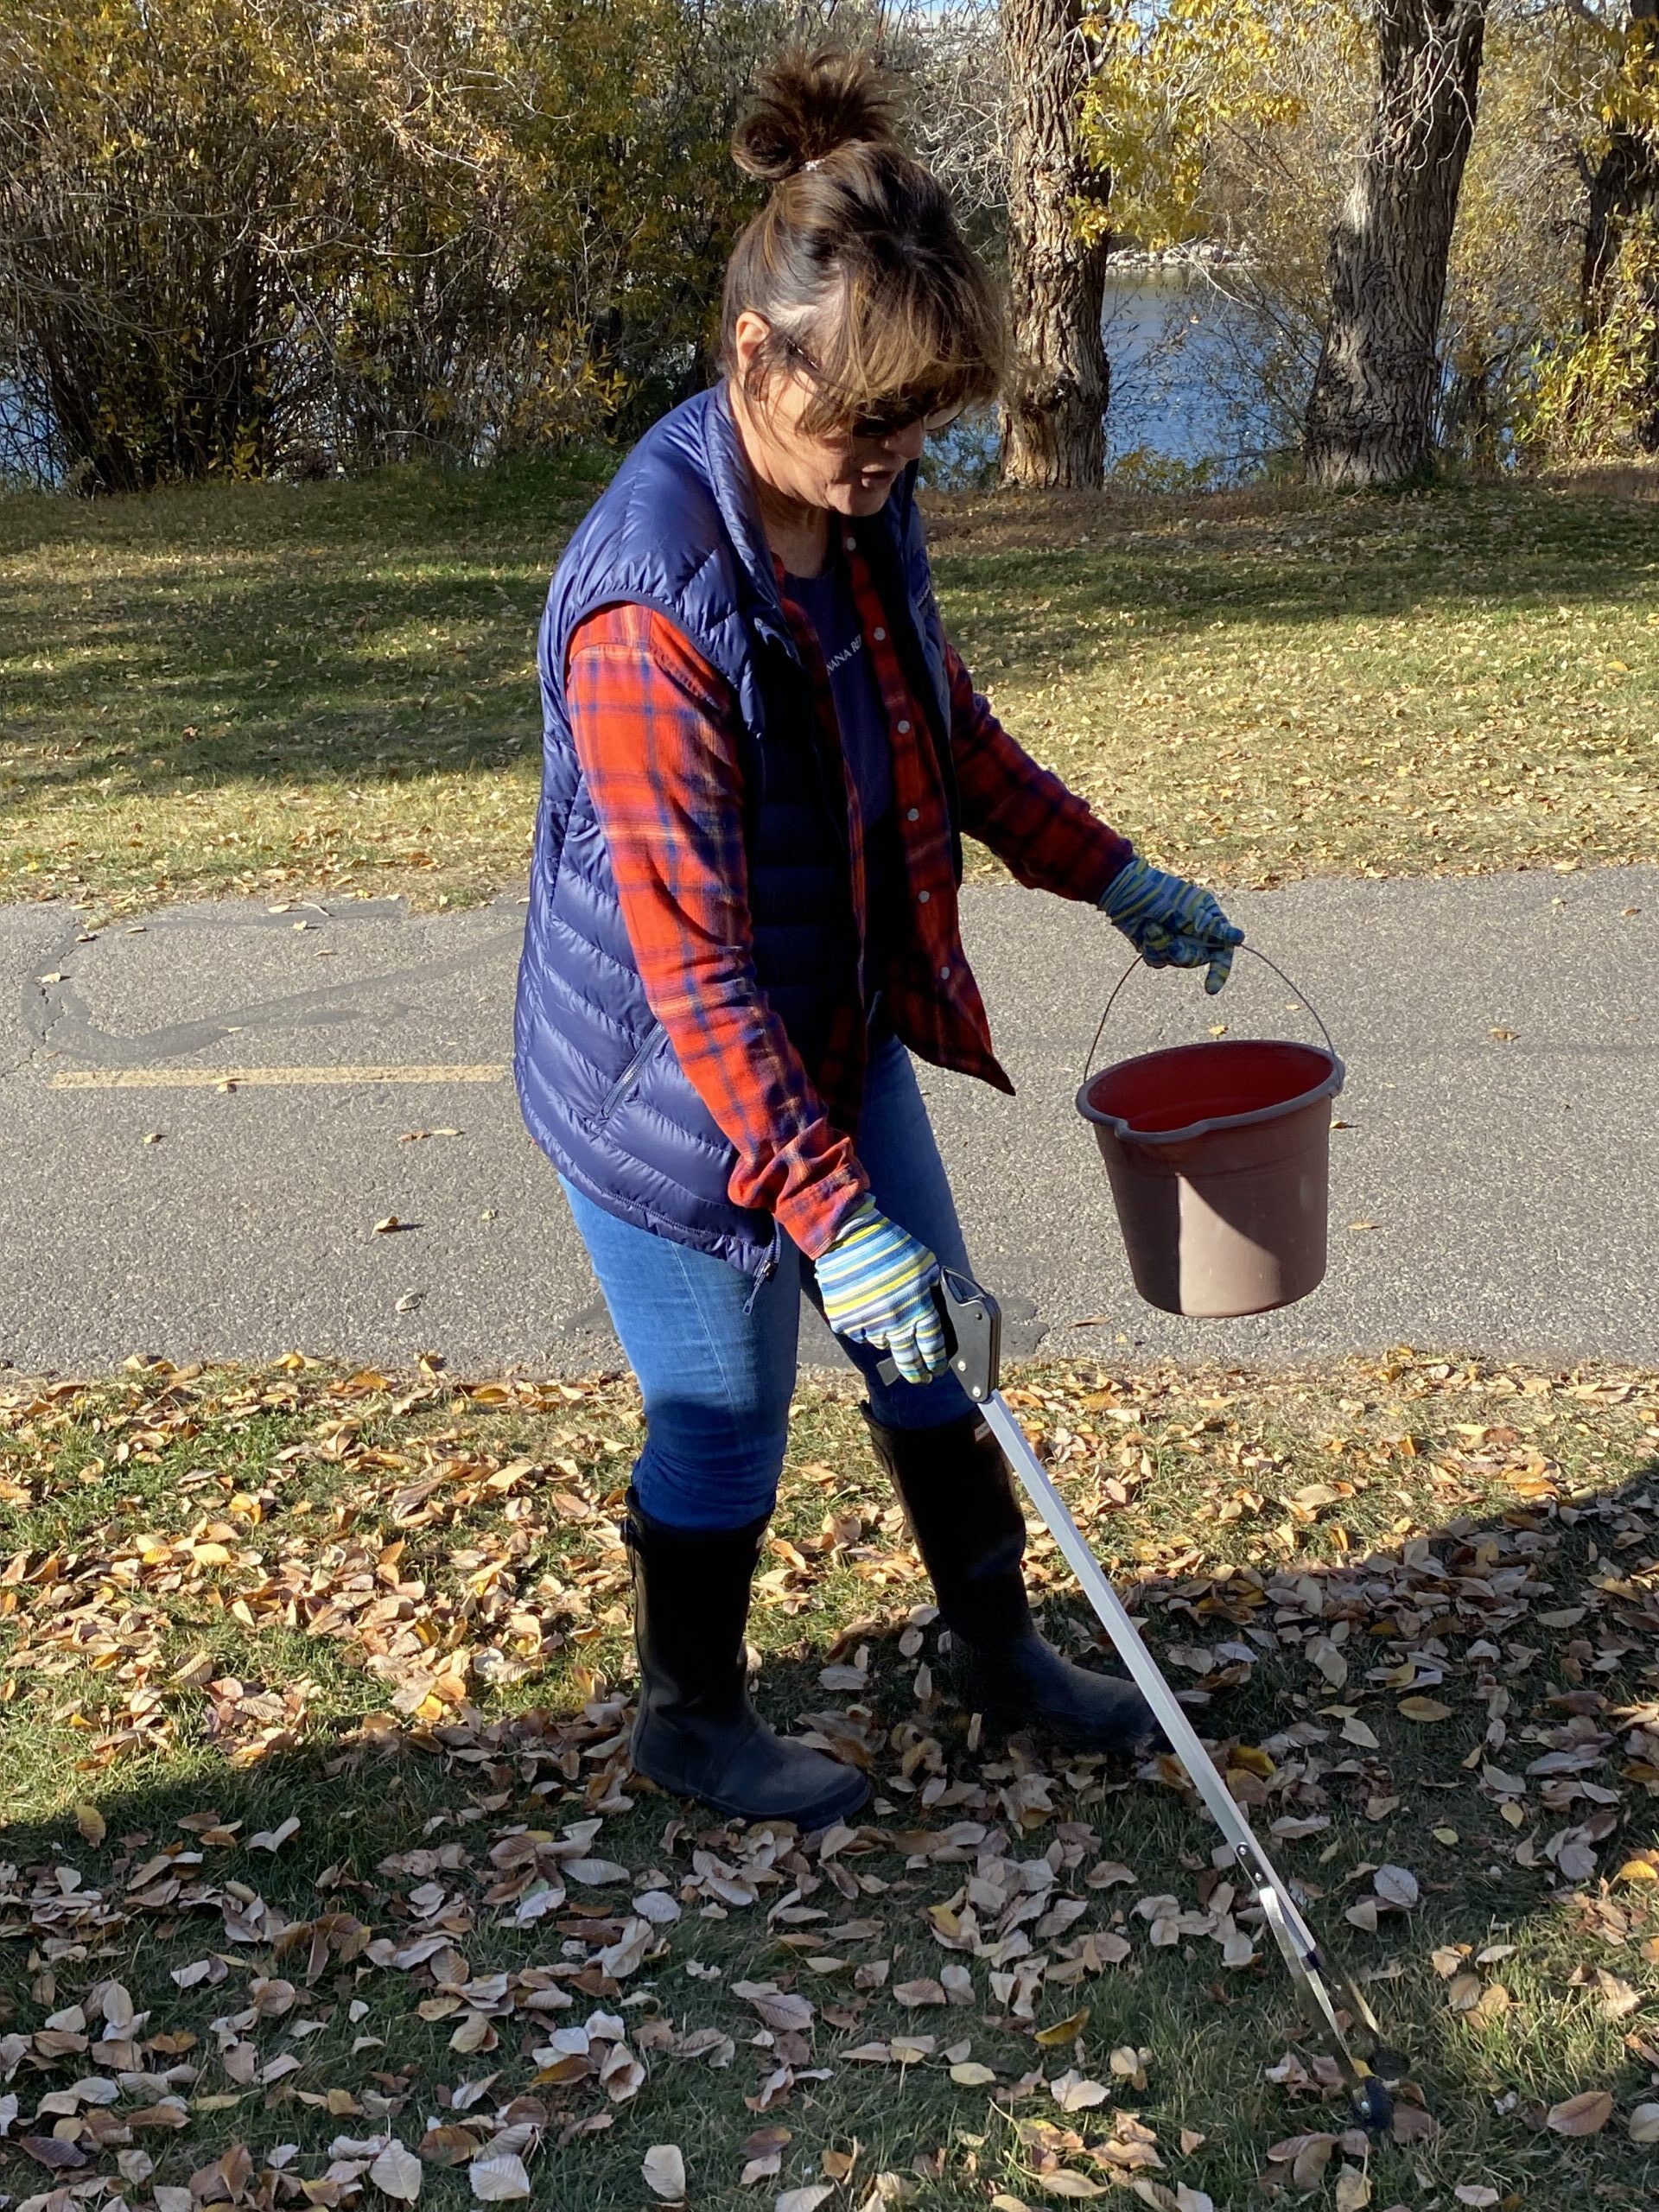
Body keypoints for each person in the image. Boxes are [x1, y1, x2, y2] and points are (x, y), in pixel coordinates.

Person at [514, 46, 1243, 1830]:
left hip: (826, 1024)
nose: (895, 462)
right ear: (756, 361)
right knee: (723, 1406)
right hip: (671, 1090)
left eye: (919, 430)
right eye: (868, 429)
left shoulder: (863, 503)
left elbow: (950, 731)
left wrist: (1113, 874)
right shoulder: (651, 610)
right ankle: (689, 1717)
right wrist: (824, 1217)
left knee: (942, 1334)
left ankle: (993, 1653)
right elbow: (690, 970)